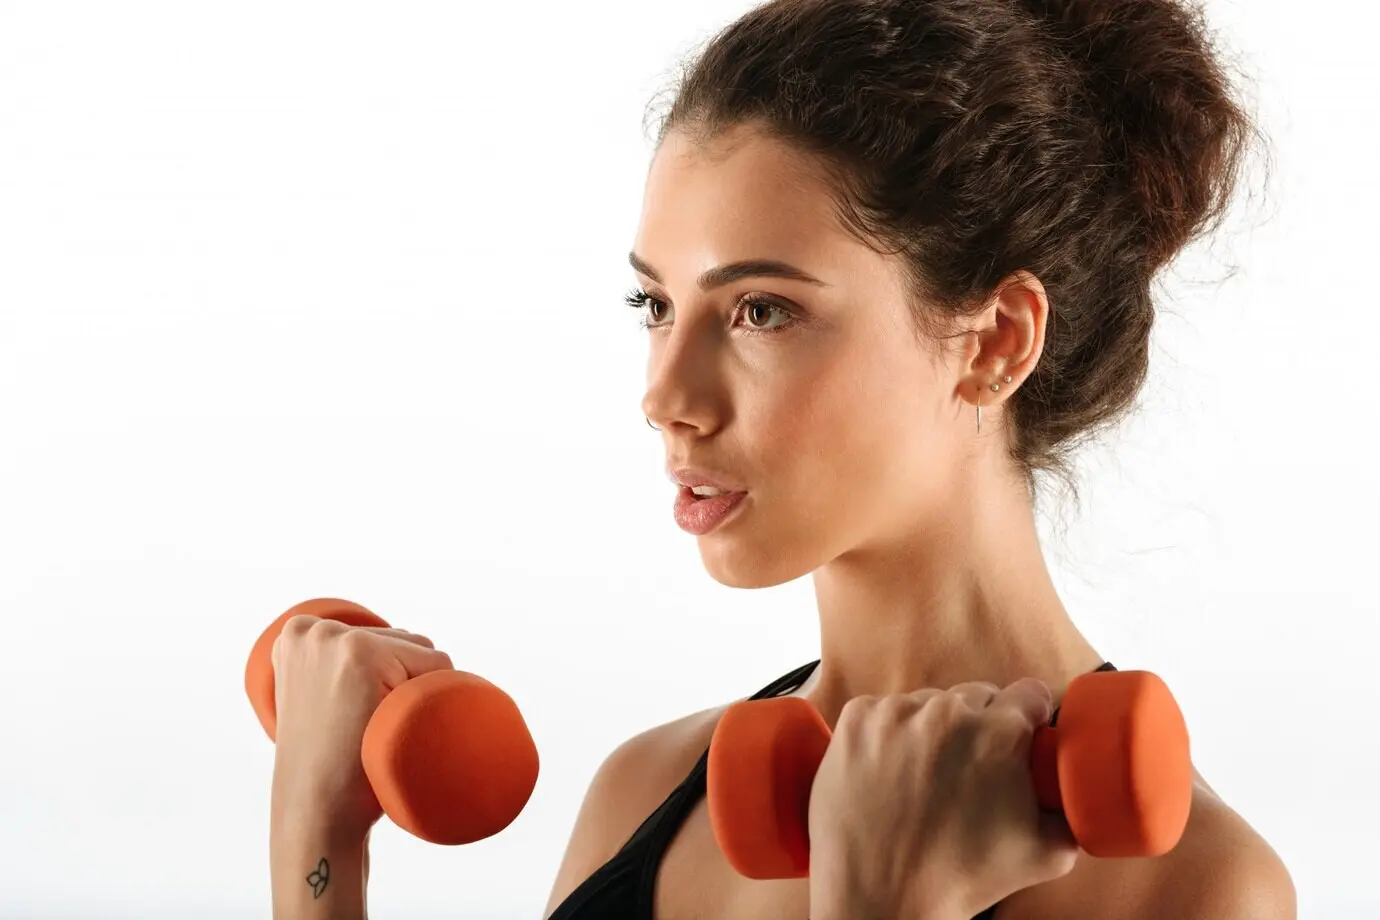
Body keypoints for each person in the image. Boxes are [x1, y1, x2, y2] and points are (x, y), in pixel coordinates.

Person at [267, 0, 1296, 918]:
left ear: (994, 342)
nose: (666, 397)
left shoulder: (1191, 889)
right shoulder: (645, 789)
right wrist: (319, 845)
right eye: (656, 306)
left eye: (762, 310)